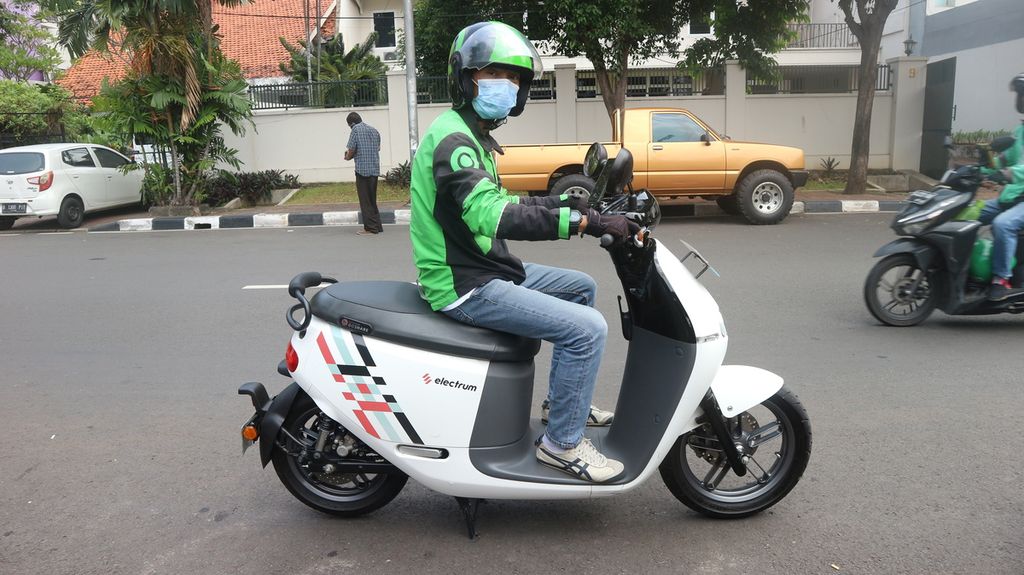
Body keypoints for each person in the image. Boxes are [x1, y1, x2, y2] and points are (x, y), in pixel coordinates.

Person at [408, 21, 639, 483]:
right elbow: (492, 216)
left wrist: (568, 202)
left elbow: (506, 202)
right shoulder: (455, 142)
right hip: (465, 284)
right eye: (494, 73)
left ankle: (563, 404)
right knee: (589, 330)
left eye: (514, 77)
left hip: (484, 266)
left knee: (580, 287)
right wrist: (585, 222)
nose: (507, 85)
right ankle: (562, 444)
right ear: (465, 77)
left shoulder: (471, 135)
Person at [979, 74, 1024, 301]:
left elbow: (1019, 168)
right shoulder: (1020, 131)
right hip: (1013, 196)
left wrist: (1005, 173)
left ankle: (1001, 278)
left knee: (1003, 224)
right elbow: (1007, 159)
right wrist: (981, 167)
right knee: (972, 212)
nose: (1021, 99)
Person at [344, 112, 383, 235]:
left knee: (365, 201)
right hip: (374, 170)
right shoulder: (374, 130)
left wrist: (347, 157)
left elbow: (351, 149)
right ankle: (377, 226)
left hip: (362, 171)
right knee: (372, 199)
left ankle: (371, 228)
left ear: (351, 123)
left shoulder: (355, 130)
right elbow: (378, 148)